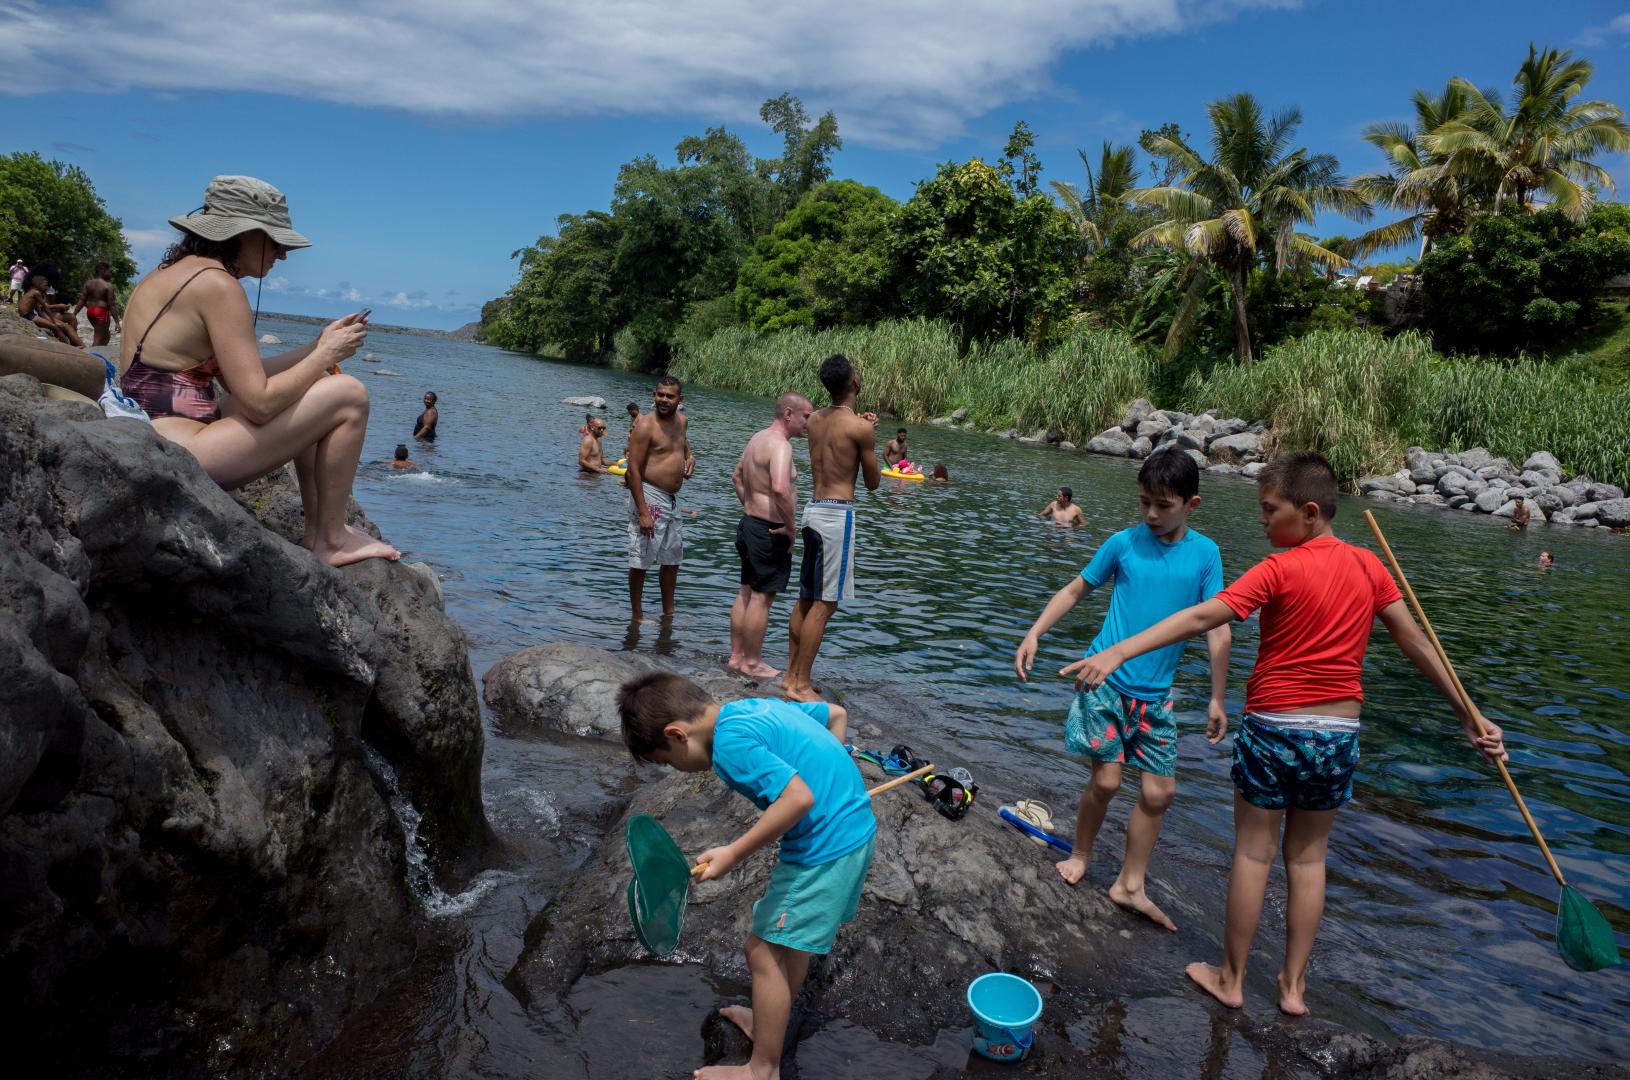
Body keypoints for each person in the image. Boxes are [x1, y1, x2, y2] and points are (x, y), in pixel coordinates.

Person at [1066, 451, 1506, 1016]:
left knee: (1254, 855)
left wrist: (1120, 650)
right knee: (1308, 860)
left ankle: (1231, 979)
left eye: (1270, 510)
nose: (1262, 520)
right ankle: (1293, 989)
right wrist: (1468, 713)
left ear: (1310, 512)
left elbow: (1204, 617)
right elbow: (1415, 641)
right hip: (1338, 734)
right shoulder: (1370, 566)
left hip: (1275, 727)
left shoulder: (1277, 569)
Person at [119, 174, 397, 566]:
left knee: (312, 386)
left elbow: (242, 377)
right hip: (182, 453)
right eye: (276, 241)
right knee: (349, 394)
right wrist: (324, 356)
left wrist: (318, 347)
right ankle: (332, 538)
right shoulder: (218, 286)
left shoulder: (170, 273)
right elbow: (259, 404)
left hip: (154, 436)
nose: (282, 254)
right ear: (244, 233)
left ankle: (319, 531)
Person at [1014, 449, 1230, 931]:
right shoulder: (1124, 543)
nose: (1151, 514)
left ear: (1192, 505)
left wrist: (1217, 696)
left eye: (1163, 505)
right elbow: (1076, 589)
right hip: (1104, 681)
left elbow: (1217, 626)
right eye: (1144, 502)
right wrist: (1034, 633)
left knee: (1160, 792)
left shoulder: (1206, 555)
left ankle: (1131, 884)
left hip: (1156, 696)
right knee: (1108, 782)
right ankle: (1081, 853)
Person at [617, 672, 868, 1080]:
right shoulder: (750, 708)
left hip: (824, 850)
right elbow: (835, 715)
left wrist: (733, 853)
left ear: (677, 734)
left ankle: (762, 1069)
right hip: (853, 833)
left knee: (762, 951)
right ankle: (771, 1021)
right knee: (790, 944)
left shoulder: (729, 747)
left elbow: (798, 798)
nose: (676, 769)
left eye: (667, 761)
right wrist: (834, 776)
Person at [782, 354, 881, 702]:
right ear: (854, 382)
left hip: (812, 511)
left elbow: (840, 427)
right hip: (838, 516)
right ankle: (801, 684)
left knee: (806, 598)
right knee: (826, 604)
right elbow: (872, 482)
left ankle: (790, 675)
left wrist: (862, 425)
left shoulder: (814, 421)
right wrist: (869, 436)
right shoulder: (860, 428)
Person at [729, 392, 814, 679]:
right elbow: (779, 487)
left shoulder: (757, 438)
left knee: (745, 592)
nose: (809, 423)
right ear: (789, 414)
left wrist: (751, 507)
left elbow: (737, 476)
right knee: (761, 598)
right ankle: (752, 662)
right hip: (769, 531)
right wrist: (790, 527)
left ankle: (736, 657)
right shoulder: (781, 446)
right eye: (806, 416)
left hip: (749, 525)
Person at [624, 376, 695, 621]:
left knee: (672, 559)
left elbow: (683, 443)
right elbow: (632, 471)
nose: (664, 400)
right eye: (660, 395)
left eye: (669, 396)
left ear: (680, 399)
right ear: (654, 395)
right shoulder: (645, 426)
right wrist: (643, 512)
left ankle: (668, 612)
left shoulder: (682, 421)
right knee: (641, 560)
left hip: (672, 500)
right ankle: (637, 616)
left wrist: (690, 457)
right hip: (649, 495)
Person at [20, 275, 84, 347]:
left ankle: (74, 344)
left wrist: (48, 319)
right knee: (57, 327)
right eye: (45, 285)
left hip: (32, 315)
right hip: (29, 315)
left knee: (63, 324)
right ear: (38, 284)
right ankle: (69, 346)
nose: (47, 287)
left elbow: (39, 310)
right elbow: (45, 308)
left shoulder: (33, 292)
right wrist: (53, 320)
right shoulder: (36, 293)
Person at [72, 262, 122, 346]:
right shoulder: (108, 286)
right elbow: (112, 305)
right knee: (98, 338)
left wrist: (74, 314)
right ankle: (92, 353)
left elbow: (82, 300)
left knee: (106, 336)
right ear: (103, 271)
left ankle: (99, 352)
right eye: (109, 272)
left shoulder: (88, 283)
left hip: (90, 311)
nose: (111, 274)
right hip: (101, 312)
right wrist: (117, 322)